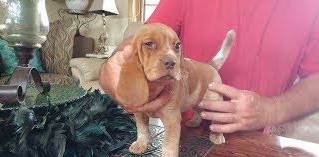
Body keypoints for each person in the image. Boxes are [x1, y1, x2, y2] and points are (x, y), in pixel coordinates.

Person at [99, 0, 319, 134]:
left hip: (258, 140)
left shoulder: (312, 7)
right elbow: (143, 40)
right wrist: (114, 65)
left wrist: (271, 110)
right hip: (185, 132)